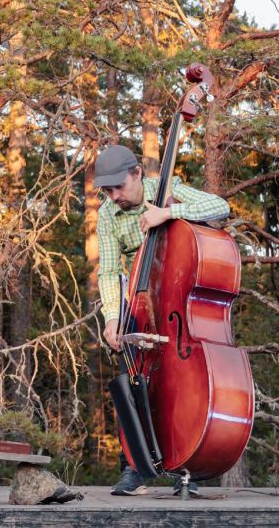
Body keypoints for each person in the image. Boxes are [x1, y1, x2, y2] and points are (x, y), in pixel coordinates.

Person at [94, 145, 230, 496]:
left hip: (176, 303)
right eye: (107, 190)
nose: (114, 196)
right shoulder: (108, 214)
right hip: (143, 306)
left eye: (119, 186)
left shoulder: (169, 189)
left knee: (182, 385)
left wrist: (169, 213)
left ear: (137, 173)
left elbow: (220, 206)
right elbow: (108, 271)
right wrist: (112, 318)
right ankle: (134, 467)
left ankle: (185, 465)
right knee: (133, 378)